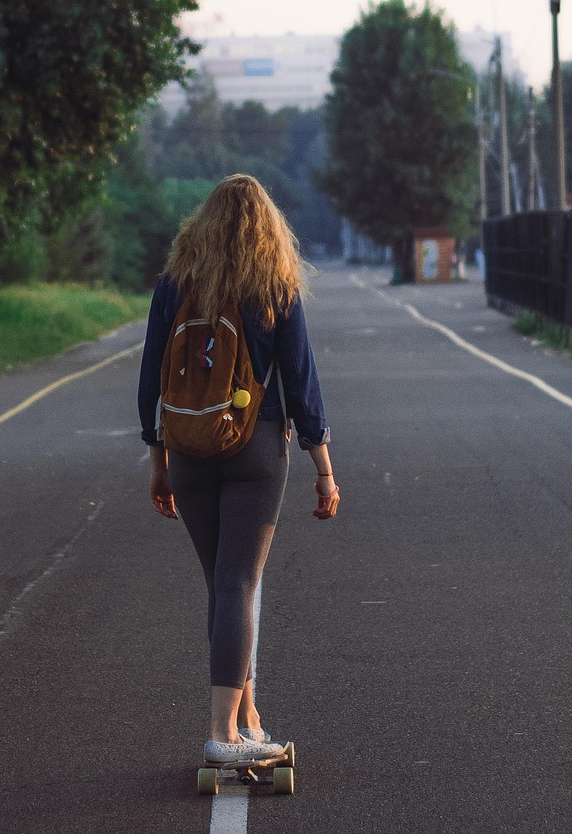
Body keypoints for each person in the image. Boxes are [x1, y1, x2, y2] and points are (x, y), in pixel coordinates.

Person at [138, 173, 339, 765]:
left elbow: (150, 379)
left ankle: (246, 719)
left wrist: (159, 461)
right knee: (239, 585)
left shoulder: (174, 285)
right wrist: (323, 468)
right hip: (254, 449)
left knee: (222, 587)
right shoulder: (273, 284)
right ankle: (222, 736)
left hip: (187, 451)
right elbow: (301, 382)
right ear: (268, 229)